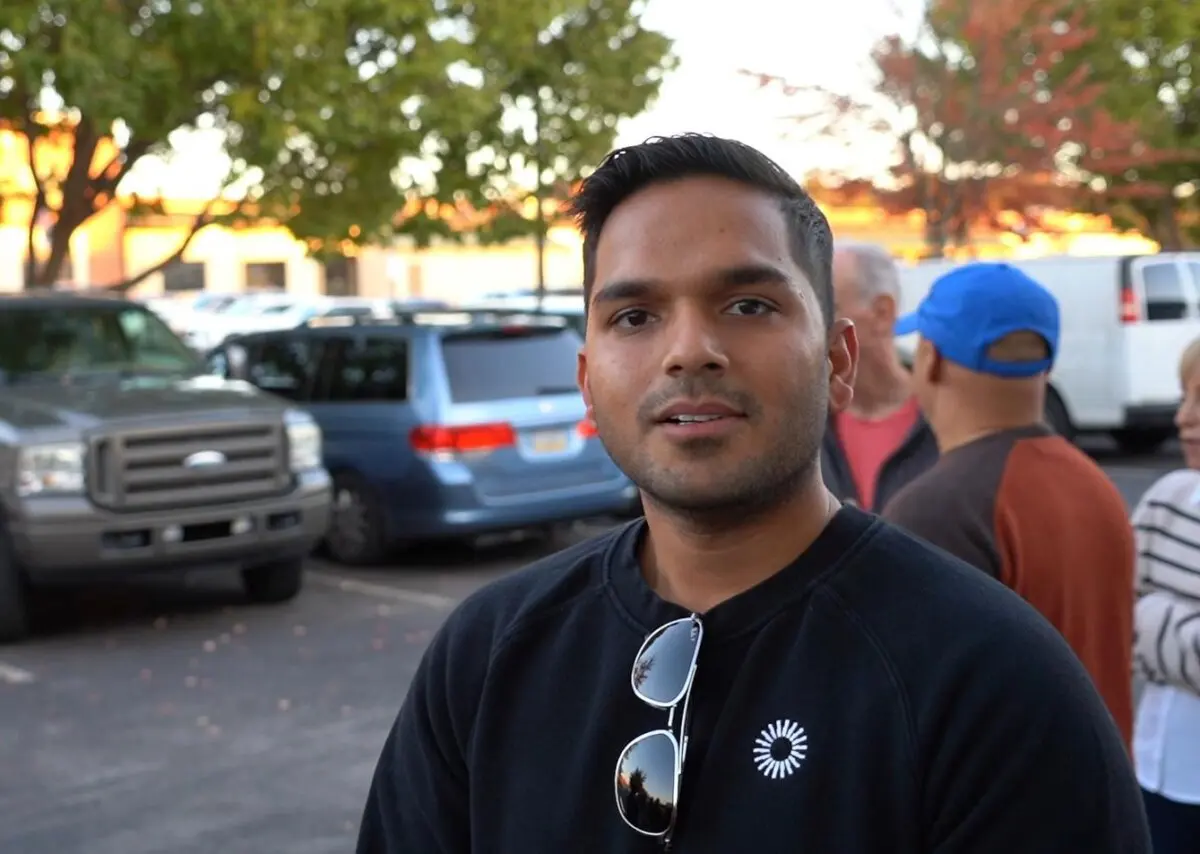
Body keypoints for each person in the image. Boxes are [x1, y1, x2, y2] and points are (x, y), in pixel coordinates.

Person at [355, 134, 1149, 853]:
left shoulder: (990, 682)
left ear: (840, 361)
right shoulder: (489, 656)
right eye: (634, 316)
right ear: (587, 381)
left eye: (748, 305)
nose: (689, 350)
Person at [880, 262, 1136, 751]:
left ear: (931, 360)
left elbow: (907, 710)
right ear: (1047, 362)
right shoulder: (1094, 484)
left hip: (1004, 815)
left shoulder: (937, 507)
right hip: (1103, 798)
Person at [1129, 334, 1200, 853]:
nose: (1184, 418)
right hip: (1157, 770)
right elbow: (1117, 620)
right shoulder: (1169, 499)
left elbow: (1135, 620)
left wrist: (1150, 616)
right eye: (1183, 397)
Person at [822, 243, 937, 510]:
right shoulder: (801, 425)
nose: (810, 324)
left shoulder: (949, 421)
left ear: (882, 313)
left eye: (828, 308)